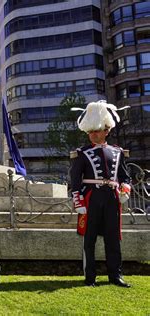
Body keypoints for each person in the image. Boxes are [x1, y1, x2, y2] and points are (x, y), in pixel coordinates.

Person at [70, 100, 132, 287]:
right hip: (91, 198)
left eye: (96, 131)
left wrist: (125, 190)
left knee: (113, 238)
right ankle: (90, 277)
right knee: (89, 239)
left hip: (112, 198)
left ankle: (115, 276)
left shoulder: (118, 152)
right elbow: (75, 180)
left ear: (106, 130)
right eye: (90, 132)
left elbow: (125, 177)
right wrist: (78, 201)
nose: (93, 135)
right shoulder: (81, 153)